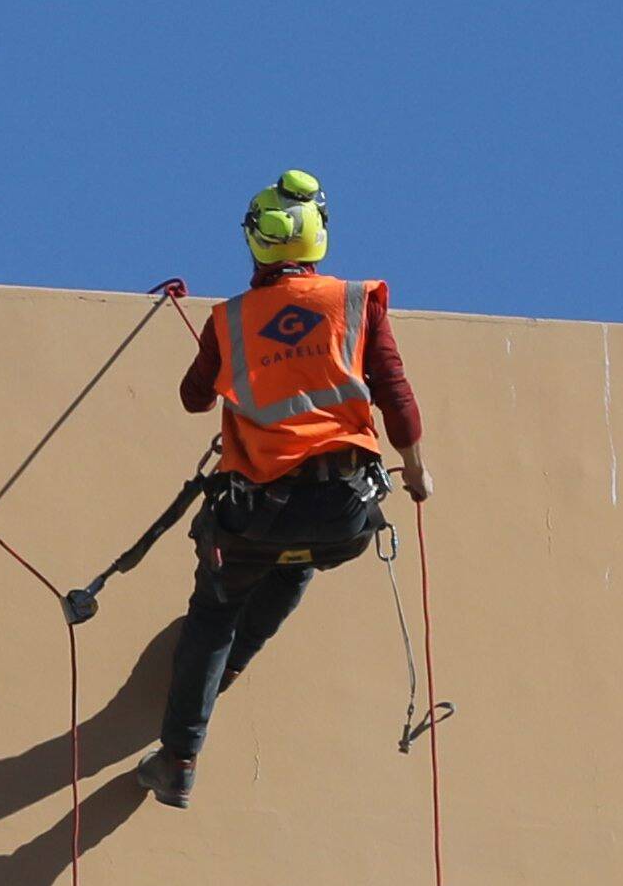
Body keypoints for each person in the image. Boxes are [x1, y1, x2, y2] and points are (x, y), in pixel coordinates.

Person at [146, 169, 431, 809]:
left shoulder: (230, 321)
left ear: (258, 243)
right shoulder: (357, 302)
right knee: (297, 567)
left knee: (214, 614)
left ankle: (178, 759)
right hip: (341, 516)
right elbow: (396, 395)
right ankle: (234, 665)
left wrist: (233, 349)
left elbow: (194, 399)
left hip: (255, 516)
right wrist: (415, 474)